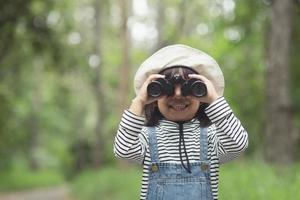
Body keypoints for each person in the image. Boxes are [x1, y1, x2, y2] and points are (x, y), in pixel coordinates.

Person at [114, 44, 248, 200]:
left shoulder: (212, 137)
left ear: (201, 97)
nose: (178, 95)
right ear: (155, 98)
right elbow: (122, 150)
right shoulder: (146, 138)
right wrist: (140, 101)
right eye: (168, 89)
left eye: (187, 89)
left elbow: (238, 144)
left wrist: (214, 99)